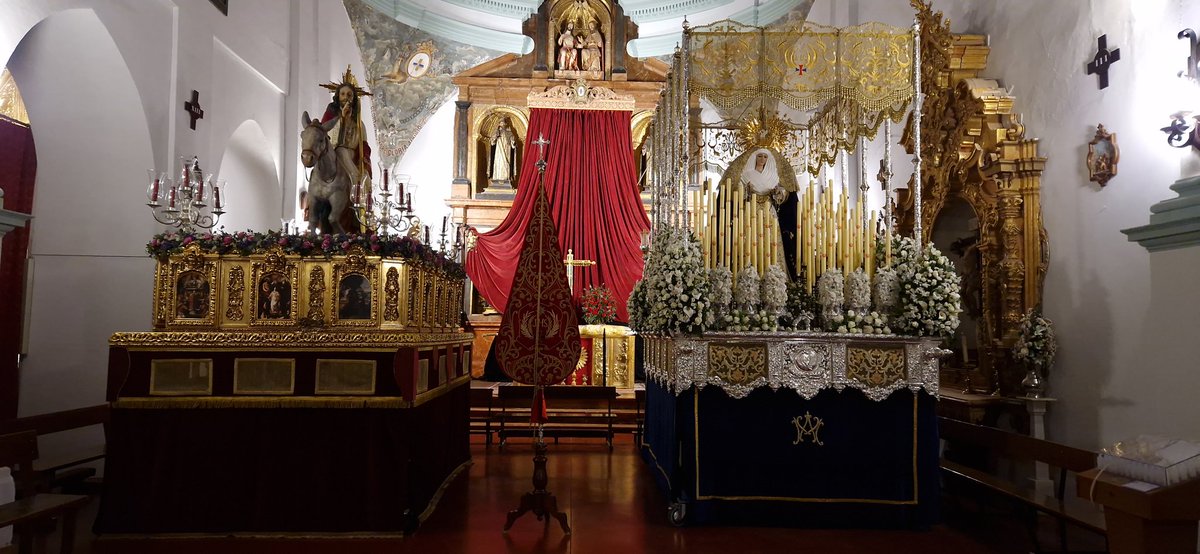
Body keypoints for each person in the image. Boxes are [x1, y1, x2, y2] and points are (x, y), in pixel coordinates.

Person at [319, 66, 373, 194]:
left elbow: (364, 146)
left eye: (349, 94)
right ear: (337, 96)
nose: (345, 97)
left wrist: (364, 162)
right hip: (330, 154)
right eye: (342, 94)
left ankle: (356, 190)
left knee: (343, 152)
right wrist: (342, 119)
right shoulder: (329, 116)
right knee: (339, 151)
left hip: (350, 154)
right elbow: (323, 136)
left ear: (354, 99)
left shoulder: (360, 125)